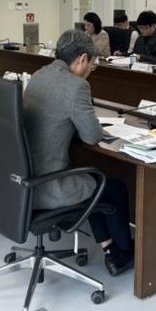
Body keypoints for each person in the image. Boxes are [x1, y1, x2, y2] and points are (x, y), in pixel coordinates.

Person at [23, 29, 134, 276]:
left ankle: (109, 248)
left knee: (92, 179)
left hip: (24, 179)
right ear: (82, 58)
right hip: (48, 185)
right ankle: (122, 253)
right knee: (114, 188)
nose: (90, 70)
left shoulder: (39, 75)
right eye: (92, 65)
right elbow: (92, 137)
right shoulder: (77, 86)